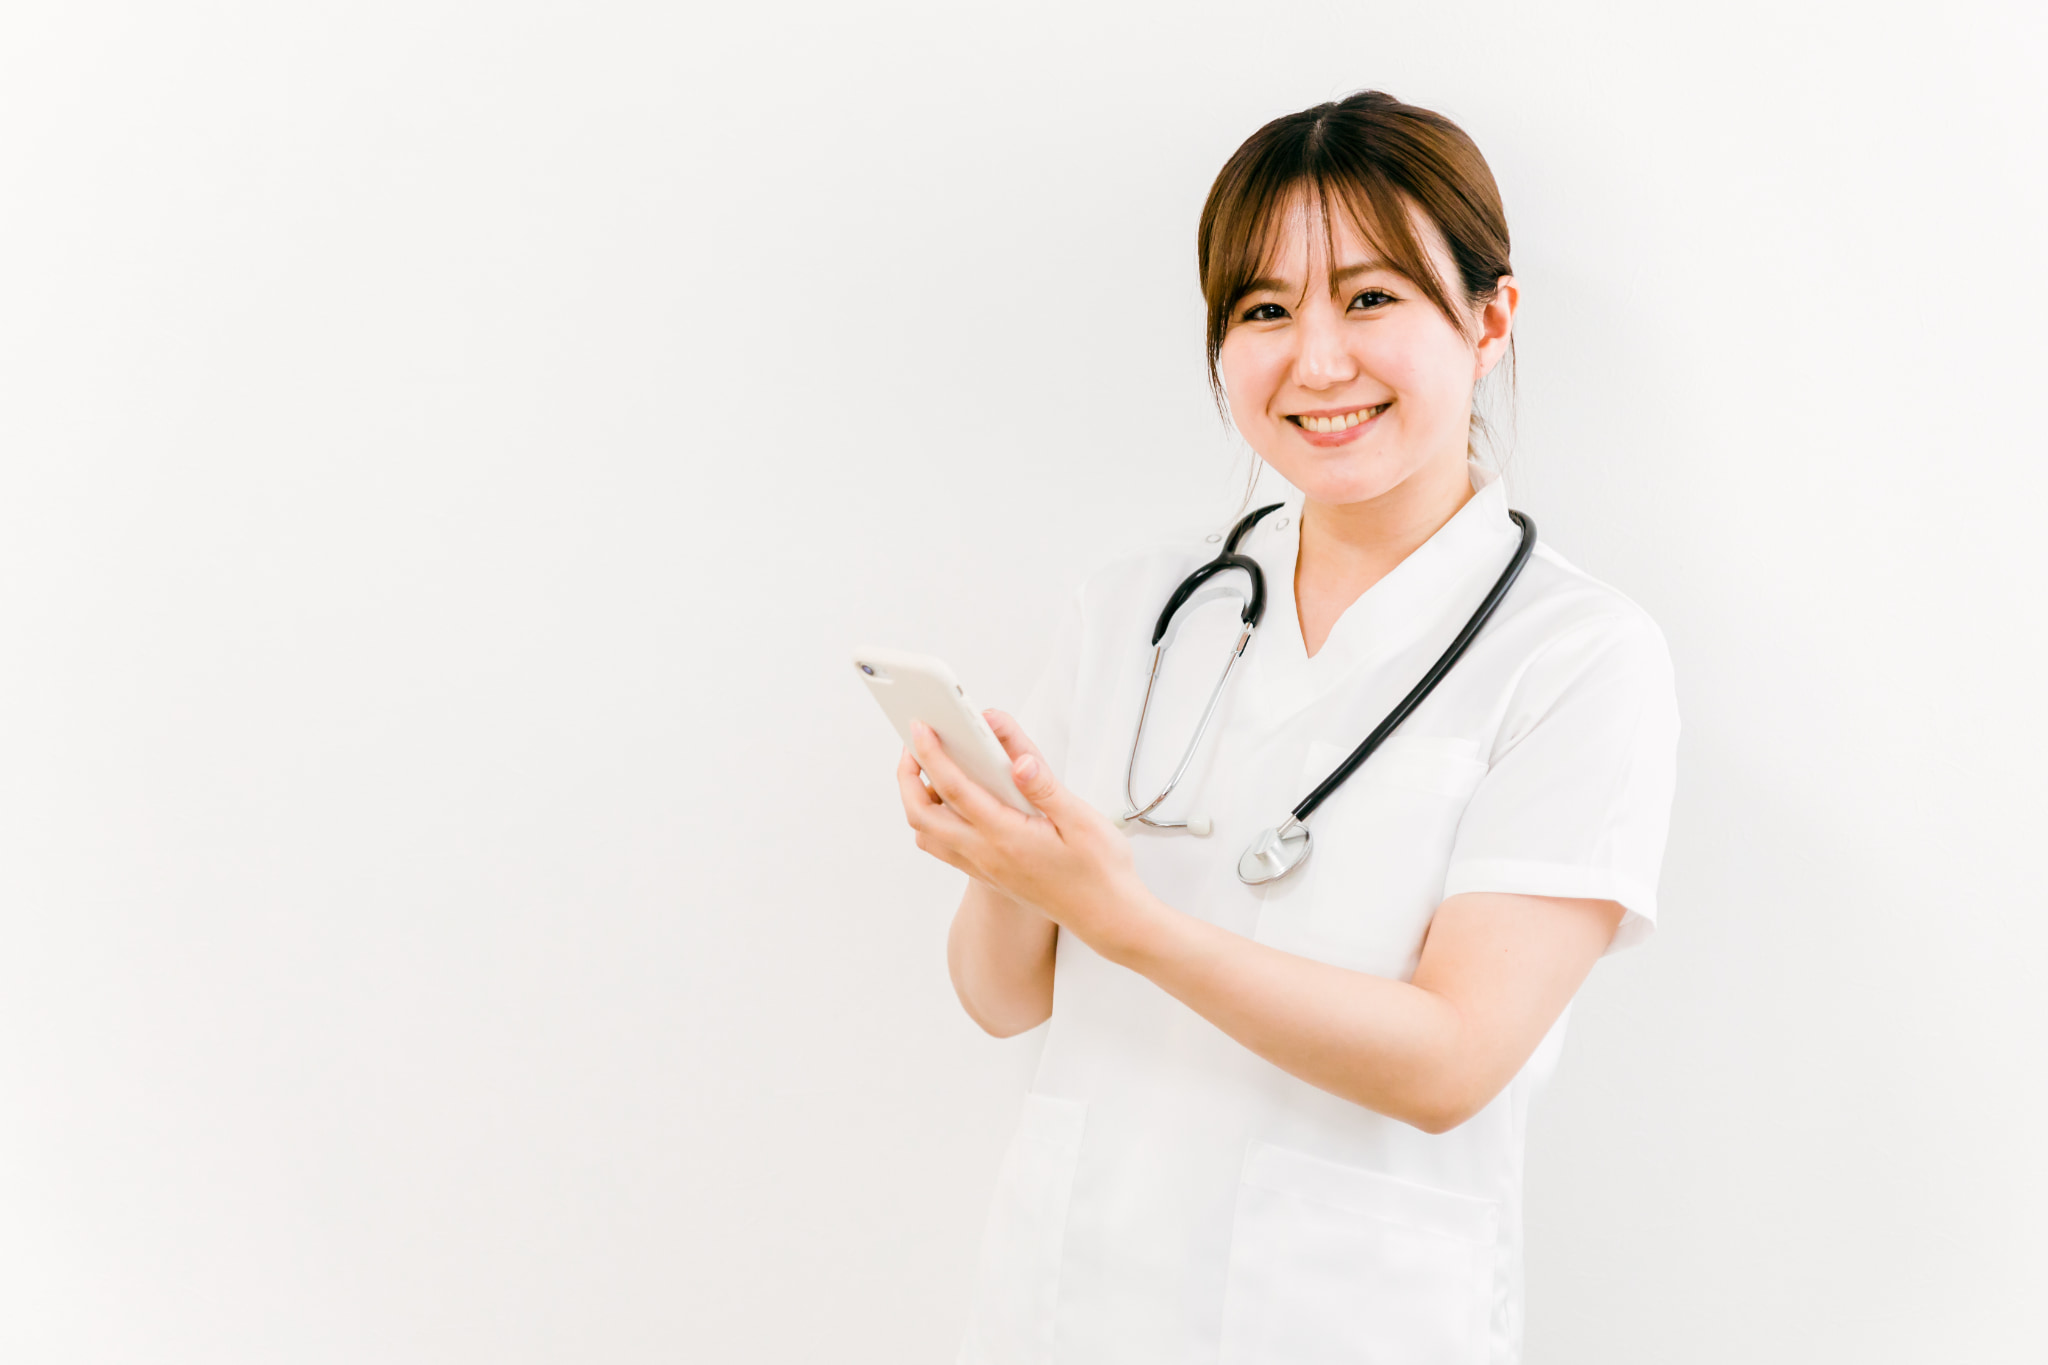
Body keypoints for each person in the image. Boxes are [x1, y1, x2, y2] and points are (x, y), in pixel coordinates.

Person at [894, 89, 1680, 1365]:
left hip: (1345, 1316)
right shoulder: (1139, 611)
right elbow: (999, 997)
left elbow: (1449, 1062)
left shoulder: (1576, 658)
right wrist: (1001, 863)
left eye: (1368, 298)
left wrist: (1121, 918)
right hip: (1071, 1304)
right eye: (1262, 311)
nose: (1315, 362)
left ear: (1488, 321)